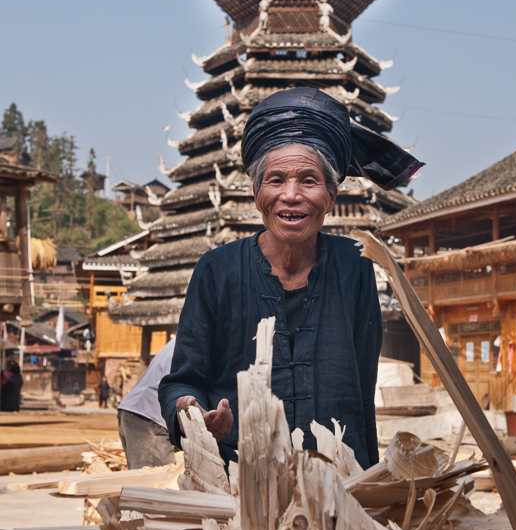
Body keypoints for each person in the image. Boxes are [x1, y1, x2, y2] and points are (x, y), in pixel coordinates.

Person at [159, 87, 423, 470]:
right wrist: (193, 412)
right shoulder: (217, 270)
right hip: (241, 482)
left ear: (332, 195)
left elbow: (363, 393)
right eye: (276, 180)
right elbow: (181, 382)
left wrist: (371, 482)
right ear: (256, 192)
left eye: (309, 181)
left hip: (338, 482)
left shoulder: (357, 267)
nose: (291, 195)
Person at [117, 339, 177, 469]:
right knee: (158, 482)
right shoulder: (194, 345)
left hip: (136, 412)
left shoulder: (182, 340)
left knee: (144, 482)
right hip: (147, 418)